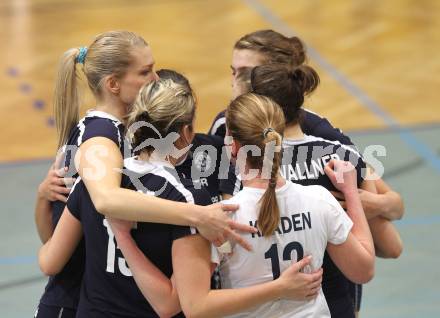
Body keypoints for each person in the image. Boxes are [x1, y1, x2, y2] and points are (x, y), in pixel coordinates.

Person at [39, 79, 322, 318]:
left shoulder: (94, 179)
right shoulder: (188, 201)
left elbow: (49, 262)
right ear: (187, 132)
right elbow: (170, 304)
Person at [34, 31, 254, 317]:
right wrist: (197, 214)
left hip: (95, 291)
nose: (154, 79)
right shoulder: (101, 138)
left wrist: (41, 197)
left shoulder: (115, 132)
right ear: (113, 84)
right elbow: (106, 200)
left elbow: (54, 243)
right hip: (77, 296)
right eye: (145, 72)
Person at [211, 29, 404, 316]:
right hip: (326, 300)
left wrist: (369, 202)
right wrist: (353, 200)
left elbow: (391, 218)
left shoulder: (234, 141)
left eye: (247, 73)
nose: (236, 82)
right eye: (234, 71)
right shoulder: (334, 153)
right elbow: (390, 246)